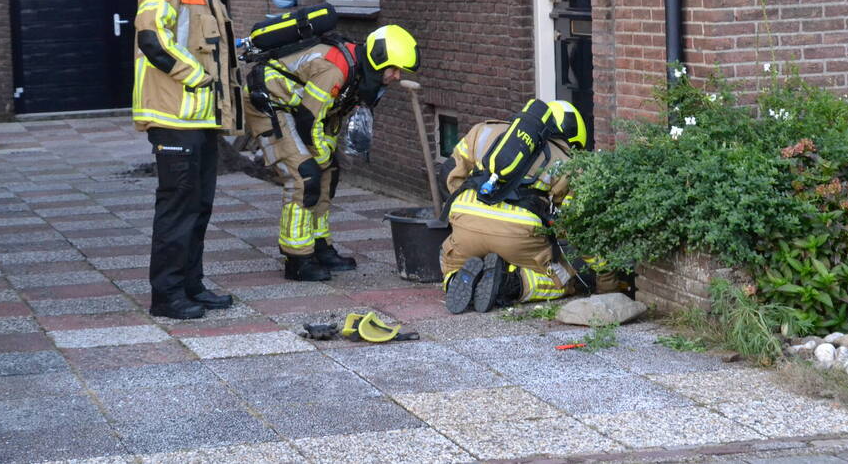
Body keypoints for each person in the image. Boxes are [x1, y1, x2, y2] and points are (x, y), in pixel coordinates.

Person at [245, 24, 420, 281]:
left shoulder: (359, 72)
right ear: (378, 59)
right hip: (270, 104)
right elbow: (309, 119)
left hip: (299, 110)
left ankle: (319, 246)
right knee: (304, 175)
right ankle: (297, 259)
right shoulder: (335, 69)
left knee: (328, 172)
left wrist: (327, 158)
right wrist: (320, 156)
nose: (396, 76)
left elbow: (328, 117)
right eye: (394, 69)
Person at [132, 0, 243, 319]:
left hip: (199, 120)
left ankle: (191, 286)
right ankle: (167, 296)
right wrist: (198, 78)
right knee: (177, 209)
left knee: (198, 207)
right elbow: (152, 38)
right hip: (174, 116)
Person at [441, 100, 610, 313]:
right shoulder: (568, 162)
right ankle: (508, 284)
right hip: (517, 235)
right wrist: (607, 282)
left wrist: (466, 213)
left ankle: (456, 278)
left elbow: (448, 174)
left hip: (466, 220)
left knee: (449, 262)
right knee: (563, 279)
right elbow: (578, 228)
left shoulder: (483, 130)